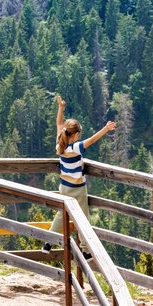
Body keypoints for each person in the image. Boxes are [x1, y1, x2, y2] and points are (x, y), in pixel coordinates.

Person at [41, 96, 115, 261]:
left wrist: (61, 108)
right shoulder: (75, 148)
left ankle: (48, 242)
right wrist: (106, 128)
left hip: (64, 187)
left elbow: (58, 124)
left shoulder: (60, 145)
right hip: (78, 189)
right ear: (74, 135)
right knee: (83, 218)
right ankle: (85, 250)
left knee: (61, 215)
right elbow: (92, 140)